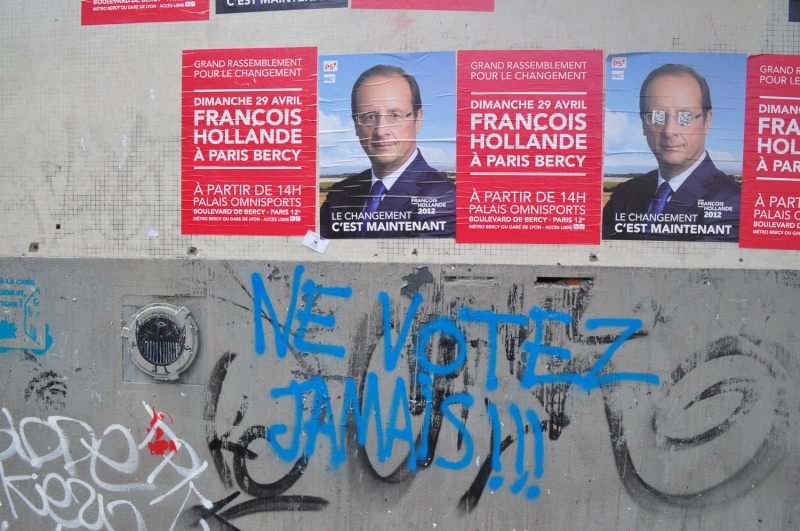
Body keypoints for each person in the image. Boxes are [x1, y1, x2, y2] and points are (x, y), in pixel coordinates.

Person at [602, 63, 741, 241]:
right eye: (657, 117)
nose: (669, 131)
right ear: (644, 123)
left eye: (685, 117)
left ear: (707, 121)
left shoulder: (731, 202)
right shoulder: (625, 195)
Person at [319, 64, 456, 238]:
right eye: (370, 116)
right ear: (356, 125)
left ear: (417, 119)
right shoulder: (340, 195)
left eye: (394, 115)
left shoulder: (443, 197)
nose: (380, 130)